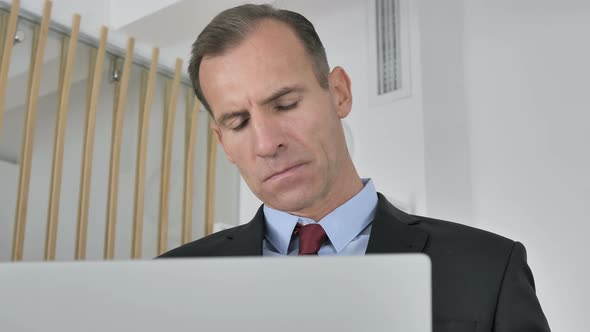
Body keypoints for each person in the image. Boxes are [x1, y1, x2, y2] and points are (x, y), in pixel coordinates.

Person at [160, 4, 550, 331]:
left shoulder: (488, 268)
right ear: (222, 142)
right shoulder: (169, 283)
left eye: (284, 104)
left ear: (339, 93)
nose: (266, 143)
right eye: (238, 123)